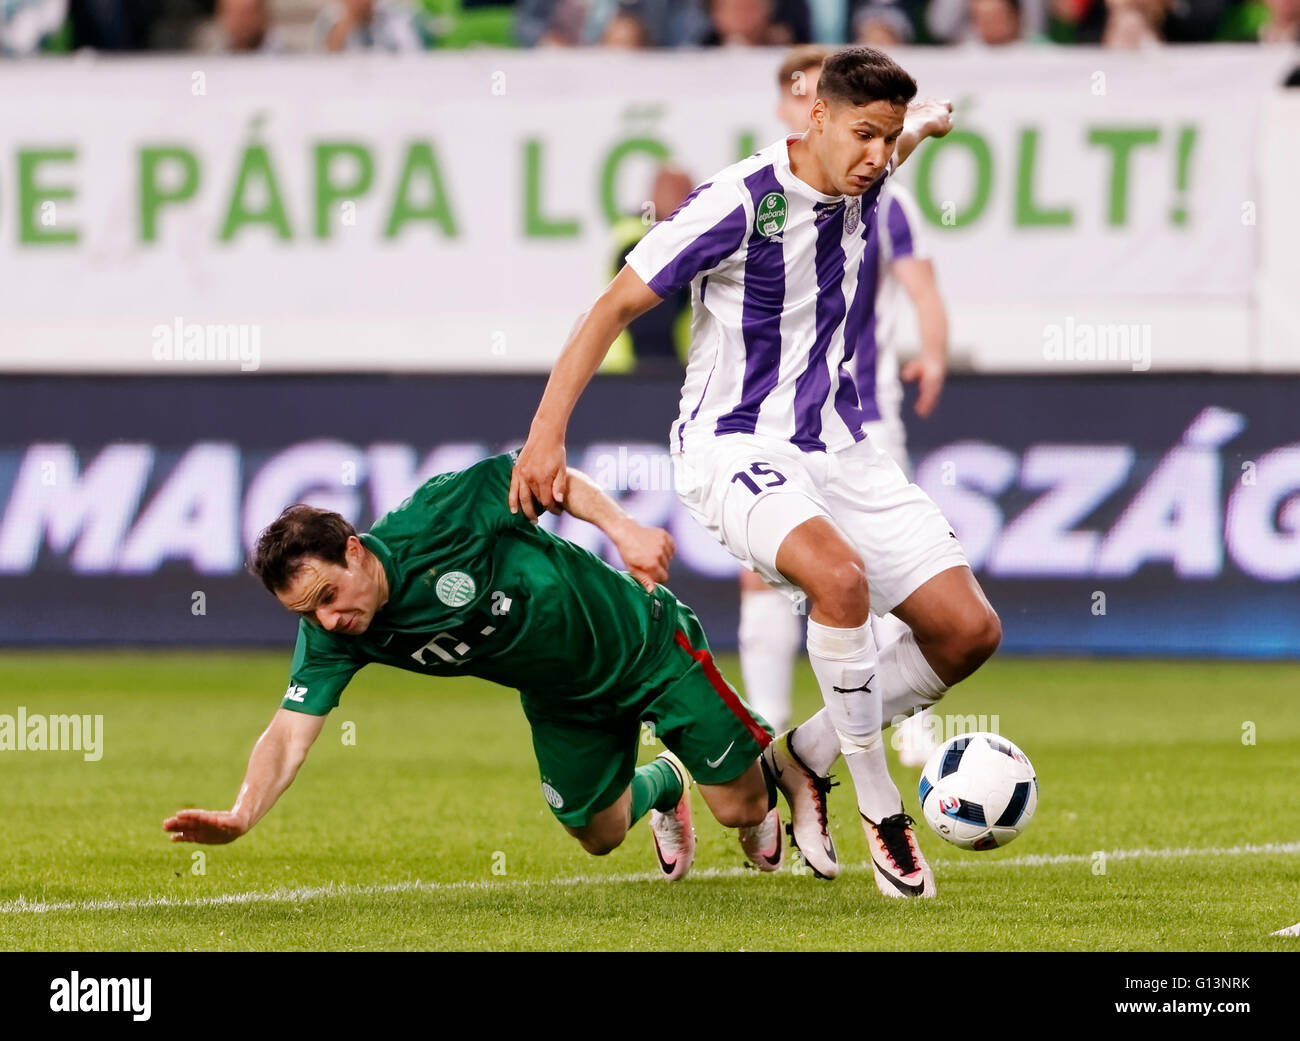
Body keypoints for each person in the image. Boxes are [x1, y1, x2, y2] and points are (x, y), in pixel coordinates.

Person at [511, 46, 1001, 899]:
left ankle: (803, 753)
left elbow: (894, 143)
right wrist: (545, 435)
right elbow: (612, 306)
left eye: (887, 141)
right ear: (812, 118)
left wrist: (918, 127)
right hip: (732, 448)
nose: (878, 157)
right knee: (838, 580)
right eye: (864, 136)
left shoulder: (866, 171)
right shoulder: (737, 202)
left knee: (968, 632)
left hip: (841, 449)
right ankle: (882, 810)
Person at [163, 452, 784, 883]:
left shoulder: (439, 516)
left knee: (741, 809)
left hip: (638, 640)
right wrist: (243, 812)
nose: (327, 621)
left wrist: (623, 529)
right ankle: (668, 782)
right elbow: (288, 734)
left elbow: (551, 477)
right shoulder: (334, 636)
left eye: (327, 596)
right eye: (307, 612)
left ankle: (768, 757)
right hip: (559, 696)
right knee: (600, 836)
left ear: (353, 551)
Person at [740, 45, 949, 773]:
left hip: (861, 412)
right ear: (793, 109)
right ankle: (768, 720)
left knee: (883, 569)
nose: (807, 111)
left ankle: (904, 723)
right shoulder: (760, 198)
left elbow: (920, 283)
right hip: (772, 420)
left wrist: (934, 348)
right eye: (797, 99)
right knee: (768, 570)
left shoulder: (886, 192)